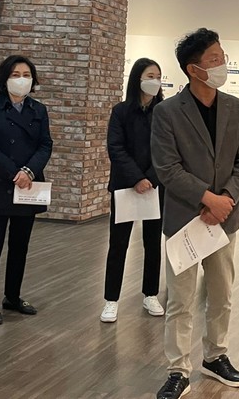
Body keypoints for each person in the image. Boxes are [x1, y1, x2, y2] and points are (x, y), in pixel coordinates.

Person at [152, 28, 239, 399]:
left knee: (221, 294)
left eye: (222, 57)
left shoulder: (236, 107)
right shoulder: (167, 112)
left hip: (225, 218)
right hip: (185, 218)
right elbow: (167, 168)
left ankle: (215, 356)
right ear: (193, 69)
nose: (222, 64)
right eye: (214, 59)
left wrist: (225, 198)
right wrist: (207, 198)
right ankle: (178, 369)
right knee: (180, 300)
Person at [0, 55, 53, 325]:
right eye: (15, 74)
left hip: (28, 186)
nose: (22, 79)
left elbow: (45, 145)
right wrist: (14, 173)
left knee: (20, 245)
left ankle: (13, 296)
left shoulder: (38, 110)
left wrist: (28, 171)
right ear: (4, 78)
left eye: (26, 75)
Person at [100, 58, 165, 323]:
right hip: (125, 186)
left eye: (158, 76)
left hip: (155, 186)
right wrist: (137, 178)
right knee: (118, 244)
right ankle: (111, 300)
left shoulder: (164, 112)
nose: (155, 81)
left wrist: (151, 178)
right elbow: (115, 148)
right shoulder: (121, 111)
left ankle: (151, 294)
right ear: (138, 78)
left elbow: (168, 150)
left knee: (153, 243)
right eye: (150, 76)